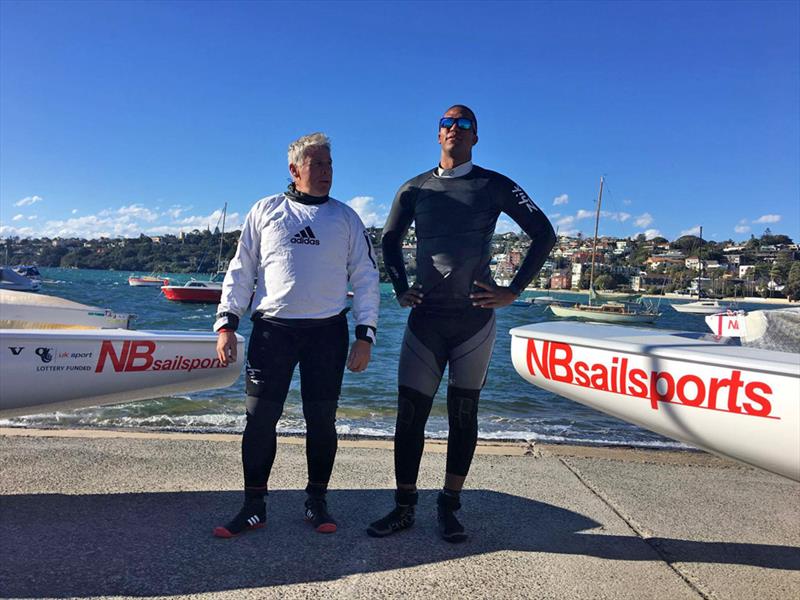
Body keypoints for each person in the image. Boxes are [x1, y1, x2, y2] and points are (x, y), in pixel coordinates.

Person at [367, 105, 556, 543]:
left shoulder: (494, 185)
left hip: (474, 320)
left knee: (463, 416)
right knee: (410, 415)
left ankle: (450, 506)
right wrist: (400, 287)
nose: (455, 129)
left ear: (475, 136)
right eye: (447, 123)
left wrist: (514, 291)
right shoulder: (414, 188)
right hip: (425, 320)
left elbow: (544, 233)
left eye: (464, 124)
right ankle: (403, 506)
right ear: (438, 135)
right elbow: (389, 240)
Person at [212, 132, 380, 538]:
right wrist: (227, 323)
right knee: (258, 421)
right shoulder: (266, 210)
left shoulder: (345, 217)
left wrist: (365, 333)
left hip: (327, 332)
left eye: (329, 165)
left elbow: (366, 274)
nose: (325, 172)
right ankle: (254, 506)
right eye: (317, 164)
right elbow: (241, 269)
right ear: (295, 169)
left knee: (321, 421)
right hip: (273, 333)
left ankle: (316, 501)